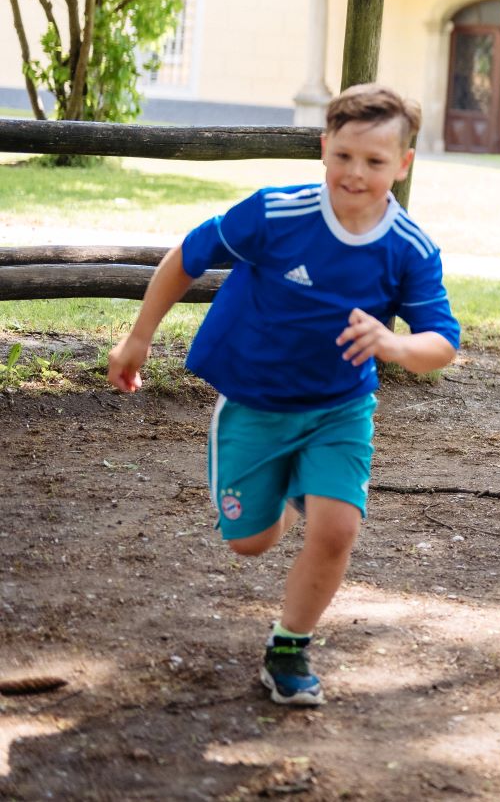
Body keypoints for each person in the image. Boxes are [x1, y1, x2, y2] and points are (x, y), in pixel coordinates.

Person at [105, 83, 459, 708]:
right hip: (256, 401)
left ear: (402, 164)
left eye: (375, 162)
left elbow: (441, 342)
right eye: (344, 156)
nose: (356, 173)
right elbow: (187, 256)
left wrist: (395, 345)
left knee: (336, 530)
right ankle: (287, 487)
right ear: (324, 148)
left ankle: (290, 646)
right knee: (251, 542)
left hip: (340, 408)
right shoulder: (276, 213)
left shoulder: (409, 247)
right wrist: (139, 338)